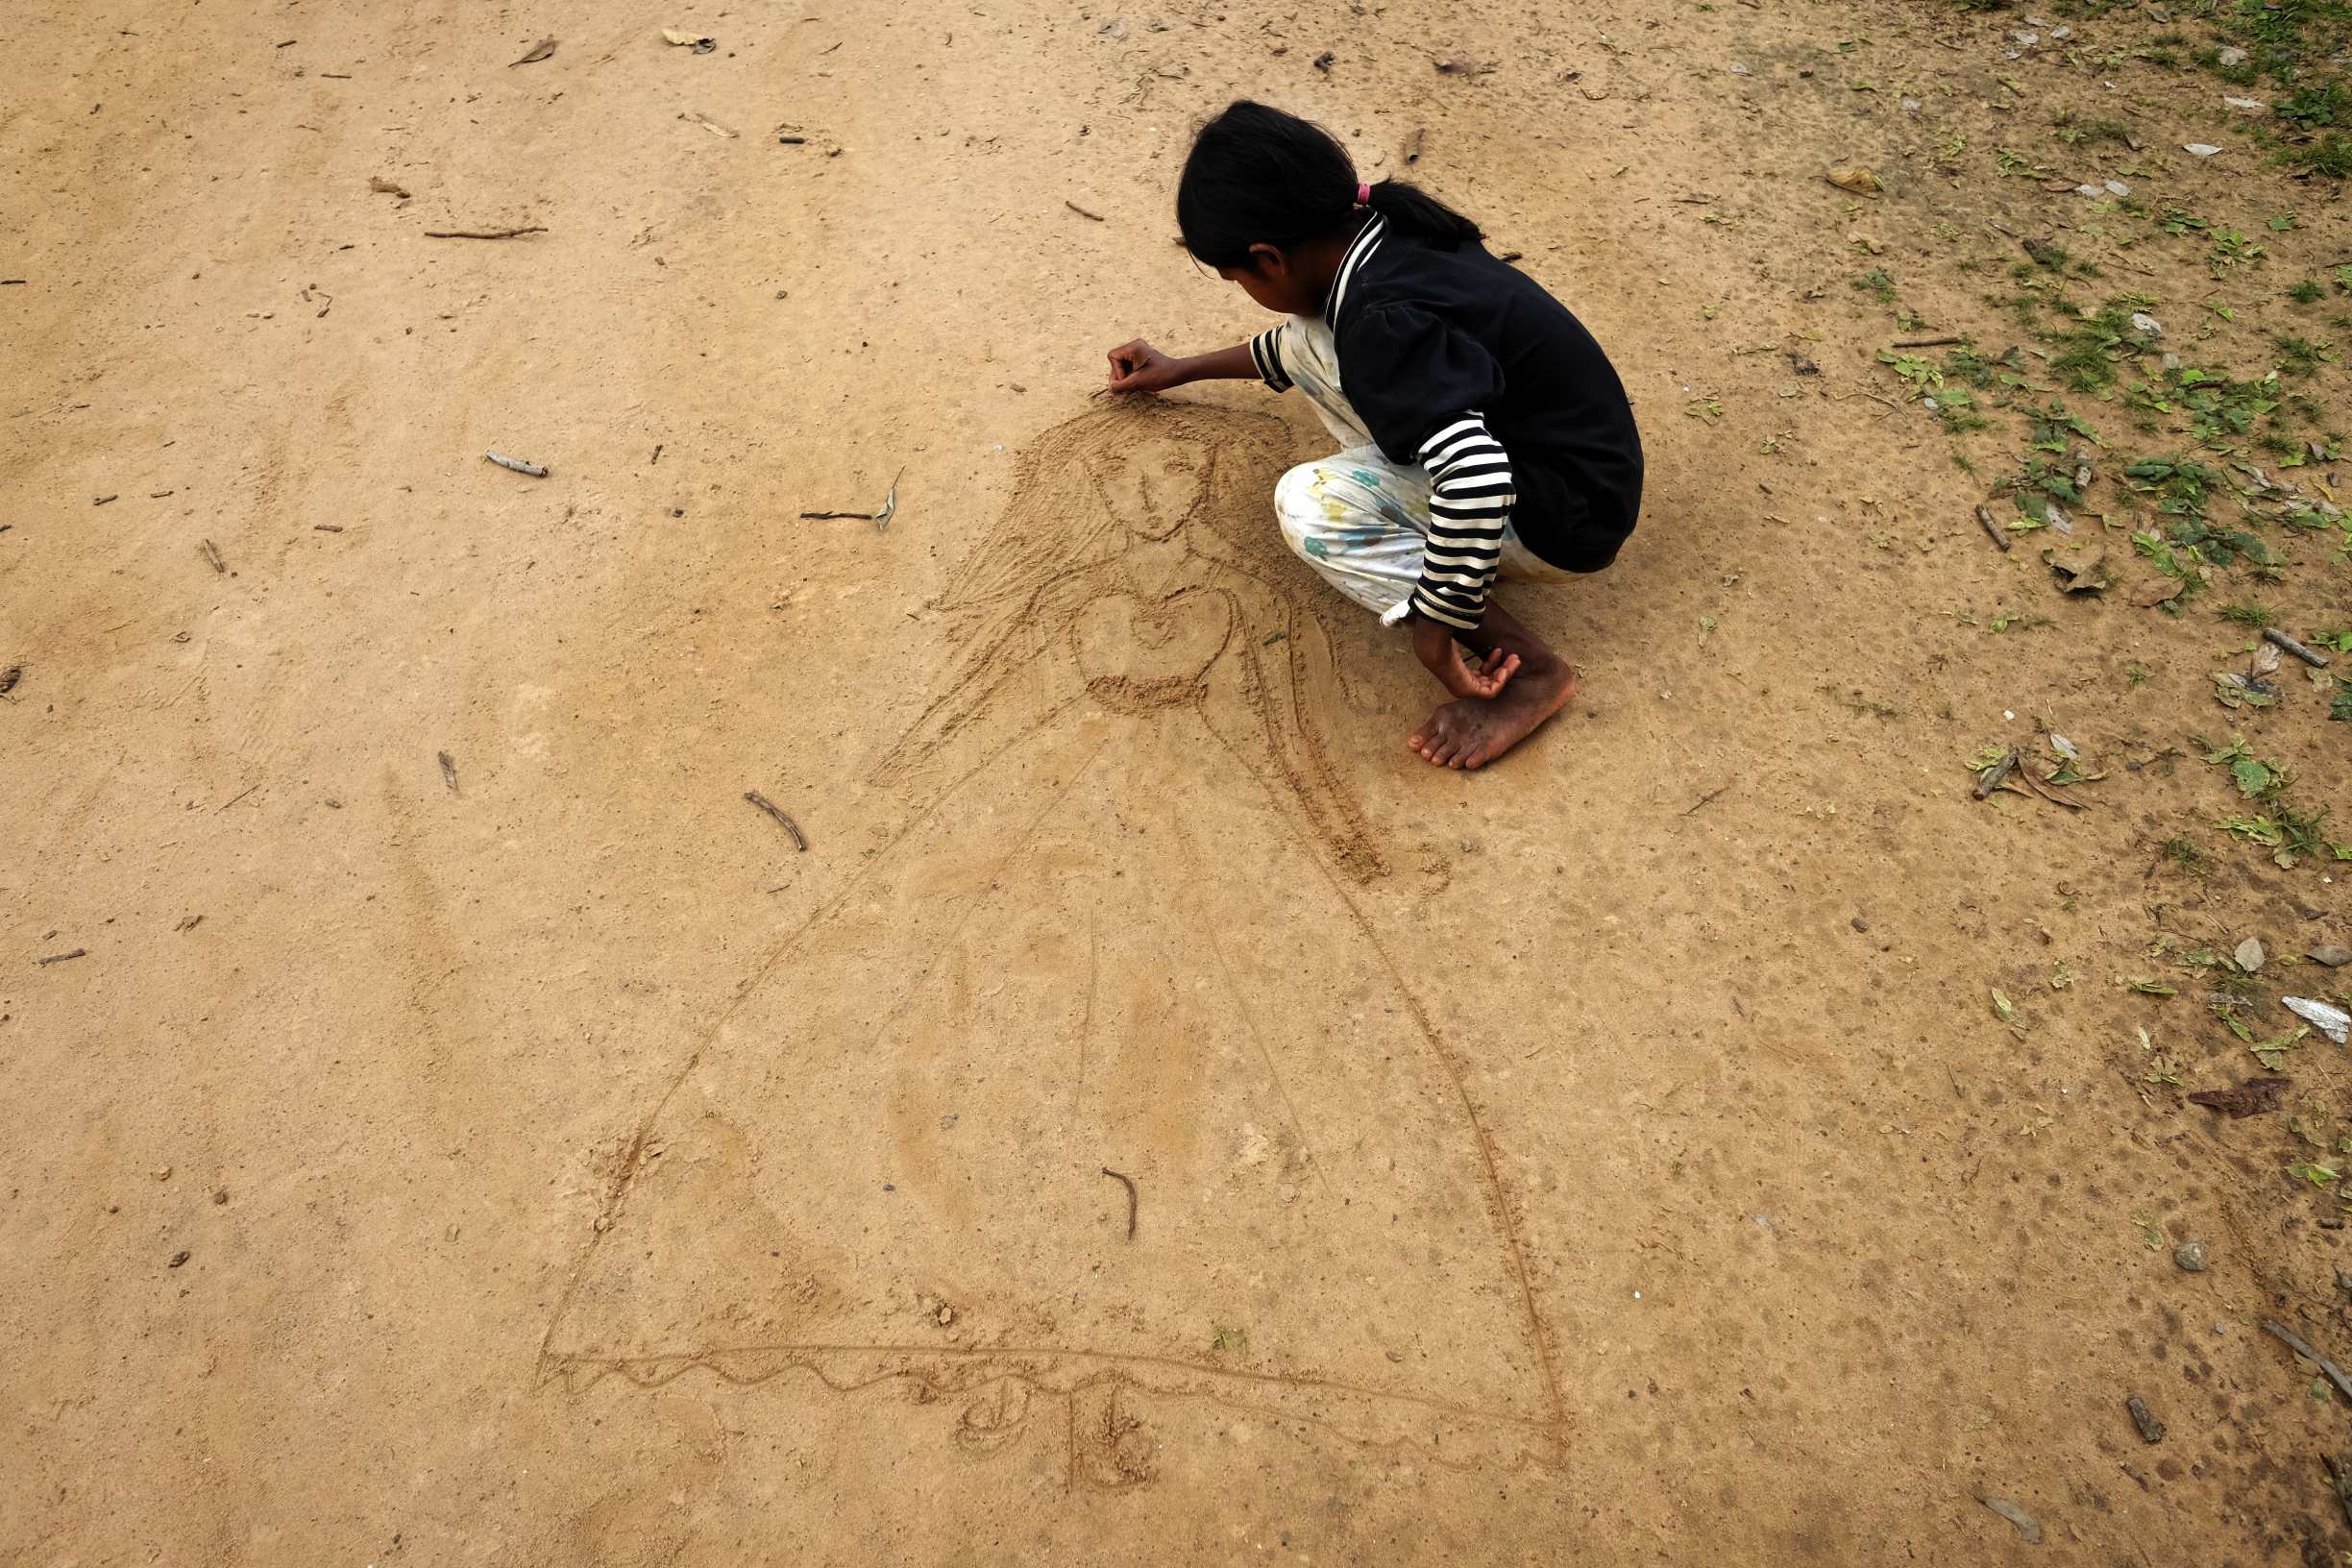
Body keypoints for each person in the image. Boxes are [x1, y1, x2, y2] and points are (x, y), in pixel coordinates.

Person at [1107, 100, 1644, 771]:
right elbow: (1306, 344)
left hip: (1563, 518)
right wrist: (1184, 369)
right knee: (1315, 332)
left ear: (1267, 260)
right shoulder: (1384, 236)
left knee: (1311, 507)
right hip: (1585, 468)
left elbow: (1477, 477)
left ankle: (1533, 672)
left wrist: (1436, 628)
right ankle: (1451, 548)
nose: (1243, 287)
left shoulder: (1380, 325)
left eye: (1237, 277)